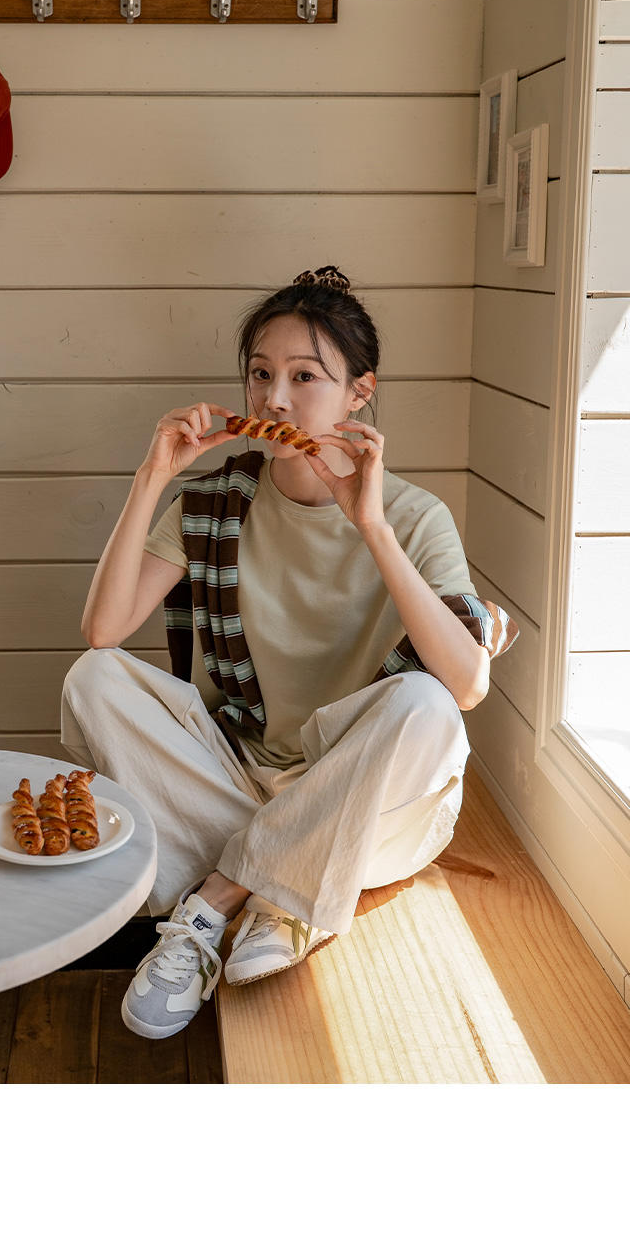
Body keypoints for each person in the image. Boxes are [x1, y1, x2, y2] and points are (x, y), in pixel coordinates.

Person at [61, 262, 492, 1046]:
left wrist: (371, 527)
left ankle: (218, 896)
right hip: (240, 776)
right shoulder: (213, 500)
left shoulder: (413, 516)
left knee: (424, 701)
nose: (275, 400)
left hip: (370, 806)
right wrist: (153, 476)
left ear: (360, 392)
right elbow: (104, 631)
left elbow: (466, 687)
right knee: (93, 680)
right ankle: (288, 880)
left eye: (305, 377)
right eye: (261, 375)